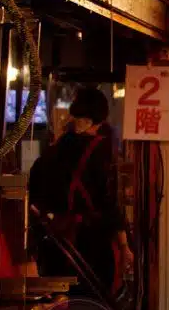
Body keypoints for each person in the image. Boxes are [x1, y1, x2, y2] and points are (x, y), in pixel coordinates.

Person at [29, 87, 131, 294]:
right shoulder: (100, 150)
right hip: (92, 245)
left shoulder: (54, 149)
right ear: (99, 118)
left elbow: (34, 193)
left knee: (62, 307)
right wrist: (124, 246)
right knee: (93, 306)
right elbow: (109, 201)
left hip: (57, 244)